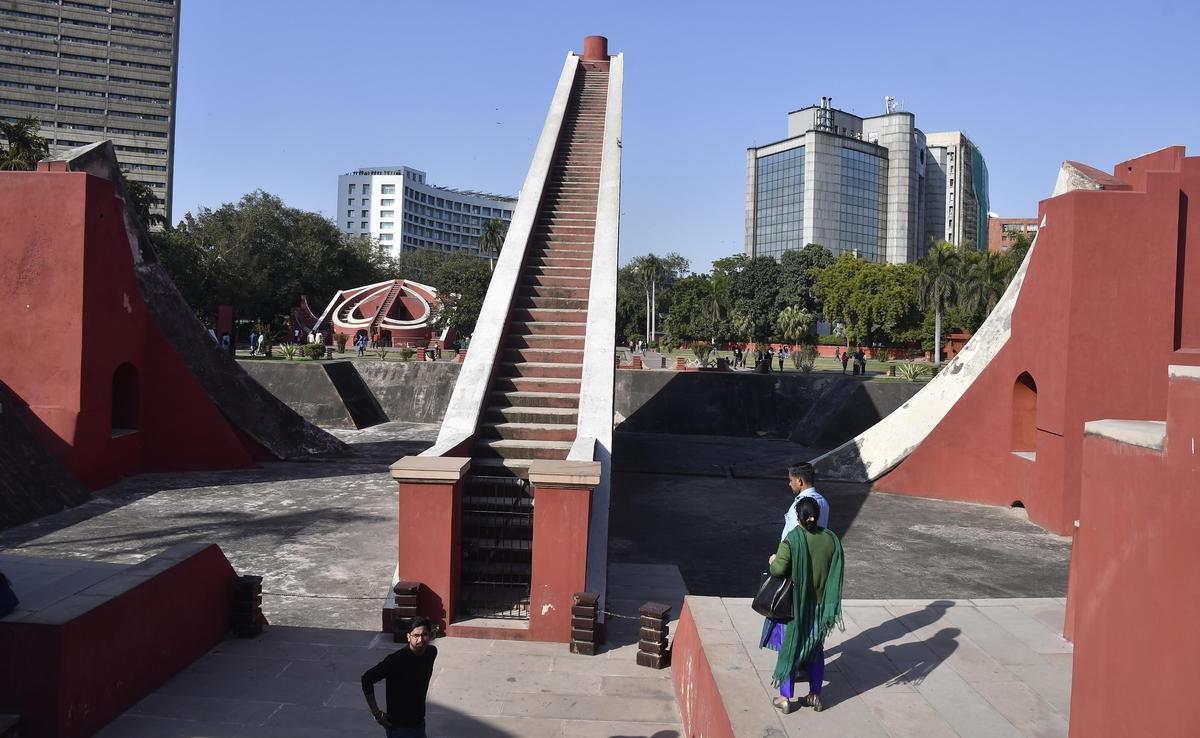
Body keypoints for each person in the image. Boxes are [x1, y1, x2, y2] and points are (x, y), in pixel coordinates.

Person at [760, 496, 844, 714]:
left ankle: (785, 698)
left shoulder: (793, 539)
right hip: (820, 608)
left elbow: (778, 570)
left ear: (798, 516)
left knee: (790, 648)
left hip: (794, 607)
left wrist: (772, 560)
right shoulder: (831, 539)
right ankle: (815, 695)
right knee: (815, 650)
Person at [362, 616, 438, 737]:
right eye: (416, 635)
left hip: (419, 724)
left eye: (424, 635)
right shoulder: (396, 660)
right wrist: (377, 714)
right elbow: (366, 679)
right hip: (398, 728)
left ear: (430, 636)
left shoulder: (431, 653)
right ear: (408, 637)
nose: (420, 640)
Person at [781, 461, 829, 538]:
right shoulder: (823, 501)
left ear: (799, 481)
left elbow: (795, 536)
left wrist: (783, 550)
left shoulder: (800, 505)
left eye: (791, 480)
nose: (789, 484)